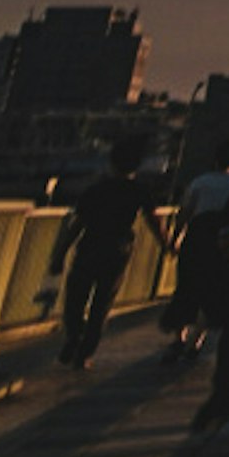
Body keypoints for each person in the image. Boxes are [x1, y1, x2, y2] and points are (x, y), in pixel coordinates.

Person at [55, 133, 162, 372]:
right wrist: (166, 244)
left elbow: (77, 224)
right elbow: (153, 220)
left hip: (89, 247)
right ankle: (85, 354)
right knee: (101, 304)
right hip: (118, 251)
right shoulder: (139, 190)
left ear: (111, 162)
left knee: (74, 300)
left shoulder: (96, 189)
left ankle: (73, 336)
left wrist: (59, 254)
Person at [160, 138, 229, 355]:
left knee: (187, 286)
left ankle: (179, 336)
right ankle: (197, 340)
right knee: (212, 290)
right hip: (224, 240)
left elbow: (185, 213)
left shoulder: (200, 182)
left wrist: (174, 239)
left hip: (197, 238)